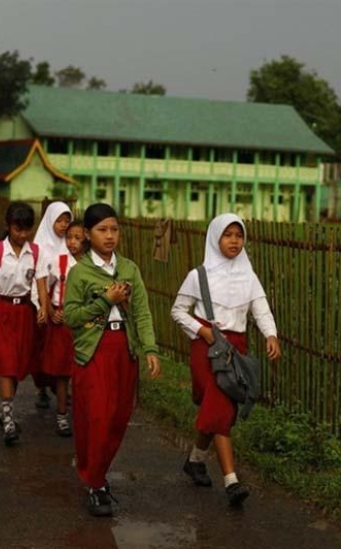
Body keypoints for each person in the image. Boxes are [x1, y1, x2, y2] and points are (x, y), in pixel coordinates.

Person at [171, 213, 281, 506]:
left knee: (217, 410)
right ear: (215, 237)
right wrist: (201, 330)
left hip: (235, 350)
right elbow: (178, 310)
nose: (234, 241)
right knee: (219, 409)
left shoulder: (249, 275)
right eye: (228, 235)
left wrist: (271, 334)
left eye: (239, 235)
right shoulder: (199, 275)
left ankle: (195, 460)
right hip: (206, 349)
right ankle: (231, 482)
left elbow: (260, 308)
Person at [63, 203, 161, 517]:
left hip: (124, 350)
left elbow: (143, 312)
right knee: (97, 418)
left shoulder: (130, 268)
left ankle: (98, 472)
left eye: (114, 229)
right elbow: (72, 317)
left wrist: (150, 349)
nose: (110, 236)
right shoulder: (80, 272)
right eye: (102, 230)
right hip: (94, 351)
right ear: (88, 235)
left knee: (118, 418)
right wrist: (107, 300)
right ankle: (95, 484)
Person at [0, 201, 48, 446]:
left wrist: (43, 309)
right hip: (2, 311)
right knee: (6, 364)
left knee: (18, 365)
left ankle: (5, 408)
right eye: (18, 229)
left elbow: (40, 282)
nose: (22, 234)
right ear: (8, 227)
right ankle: (8, 418)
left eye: (27, 229)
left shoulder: (36, 252)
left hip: (25, 313)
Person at [31, 201, 76, 437]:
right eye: (59, 220)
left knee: (60, 360)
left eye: (67, 221)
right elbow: (37, 281)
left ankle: (58, 392)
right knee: (40, 355)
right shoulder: (39, 247)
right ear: (50, 220)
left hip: (64, 313)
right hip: (42, 308)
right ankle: (41, 388)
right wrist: (43, 308)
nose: (63, 225)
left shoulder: (70, 248)